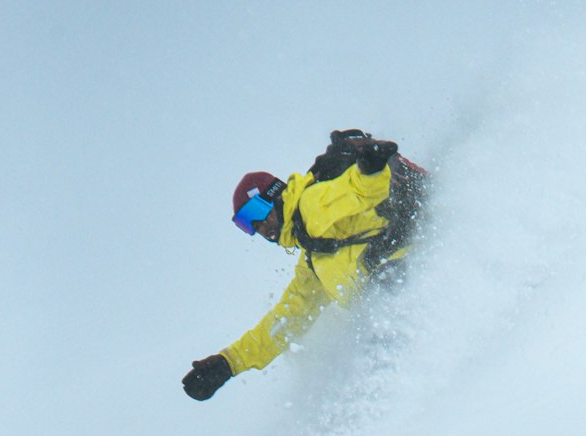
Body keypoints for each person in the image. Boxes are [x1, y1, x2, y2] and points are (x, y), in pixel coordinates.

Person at [183, 130, 429, 402]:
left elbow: (357, 190)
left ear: (273, 196)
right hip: (397, 292)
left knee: (378, 320)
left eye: (255, 214)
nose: (259, 229)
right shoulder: (312, 261)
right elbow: (287, 320)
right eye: (247, 225)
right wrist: (229, 363)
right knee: (366, 328)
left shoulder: (311, 206)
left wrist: (370, 169)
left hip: (409, 268)